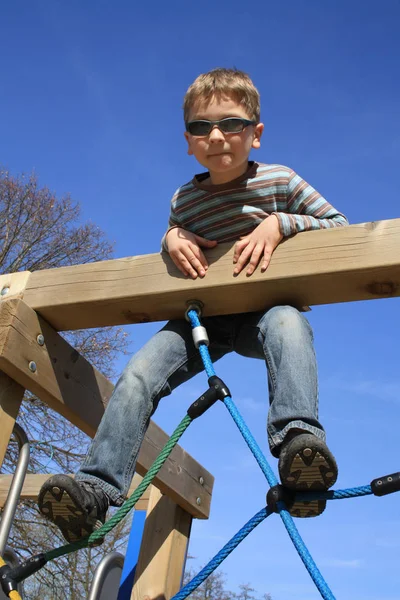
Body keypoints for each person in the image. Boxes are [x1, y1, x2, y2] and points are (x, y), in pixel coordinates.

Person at [38, 68, 349, 543]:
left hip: (260, 314)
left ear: (256, 134)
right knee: (140, 372)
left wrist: (281, 225)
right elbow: (174, 251)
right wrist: (170, 236)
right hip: (200, 319)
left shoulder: (280, 181)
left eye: (232, 123)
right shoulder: (185, 199)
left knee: (288, 325)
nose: (217, 136)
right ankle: (96, 489)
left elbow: (341, 227)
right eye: (202, 128)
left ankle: (298, 446)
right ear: (188, 141)